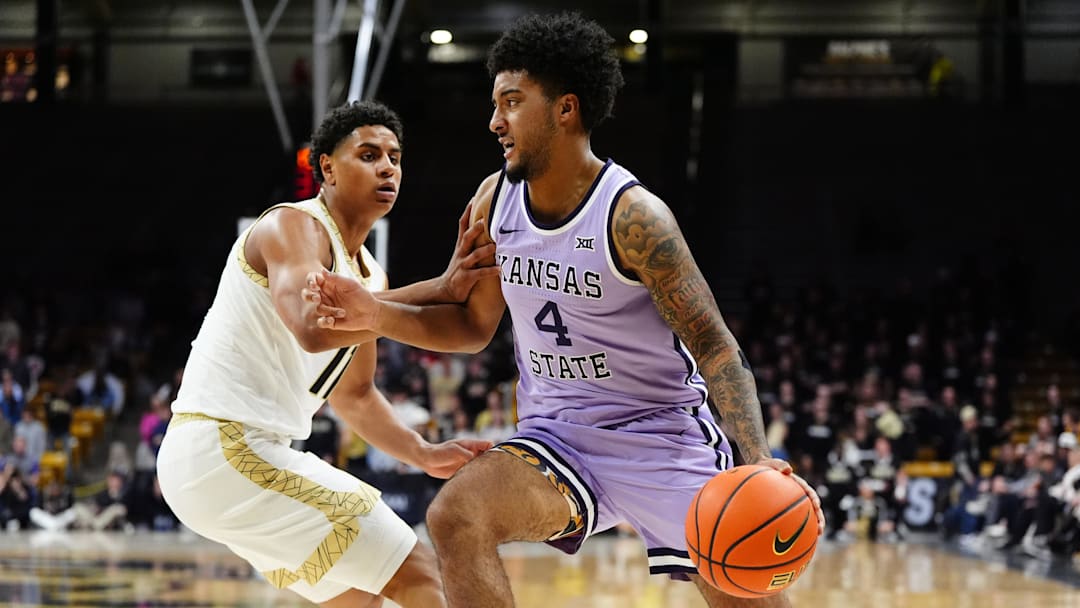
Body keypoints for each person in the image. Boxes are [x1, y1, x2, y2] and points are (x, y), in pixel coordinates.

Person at [304, 13, 824, 607]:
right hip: (558, 437)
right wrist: (369, 310)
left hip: (658, 437)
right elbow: (466, 319)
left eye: (512, 102)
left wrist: (756, 459)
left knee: (745, 586)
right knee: (456, 516)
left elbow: (714, 344)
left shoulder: (633, 218)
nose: (495, 121)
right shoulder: (493, 200)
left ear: (565, 109)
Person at [156, 100, 496, 608]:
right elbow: (313, 331)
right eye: (369, 154)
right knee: (427, 578)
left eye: (395, 157)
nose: (387, 167)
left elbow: (354, 393)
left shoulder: (371, 277)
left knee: (361, 595)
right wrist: (437, 288)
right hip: (226, 446)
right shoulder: (293, 226)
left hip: (241, 457)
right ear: (328, 168)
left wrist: (421, 453)